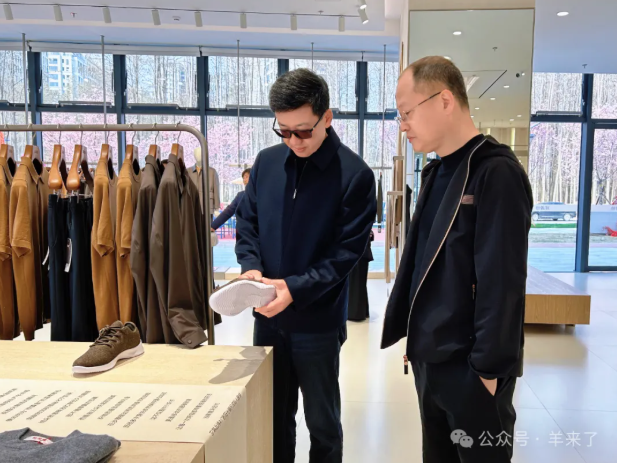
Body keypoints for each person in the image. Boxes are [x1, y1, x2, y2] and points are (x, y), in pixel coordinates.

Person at [381, 56, 533, 463]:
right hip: (430, 360)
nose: (403, 125)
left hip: (471, 366)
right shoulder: (436, 174)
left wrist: (488, 371)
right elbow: (423, 267)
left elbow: (503, 283)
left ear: (445, 100)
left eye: (407, 112)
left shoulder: (495, 172)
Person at [235, 68, 376, 463]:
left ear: (326, 118)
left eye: (302, 131)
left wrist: (294, 288)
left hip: (318, 321)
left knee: (322, 423)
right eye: (283, 131)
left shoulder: (355, 175)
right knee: (273, 418)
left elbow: (345, 254)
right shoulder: (266, 163)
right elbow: (248, 223)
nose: (293, 140)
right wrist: (251, 267)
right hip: (267, 316)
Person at [210, 168, 251, 232]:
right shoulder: (240, 196)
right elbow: (228, 211)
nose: (244, 179)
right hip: (243, 232)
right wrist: (213, 226)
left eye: (247, 176)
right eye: (243, 178)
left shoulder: (263, 195)